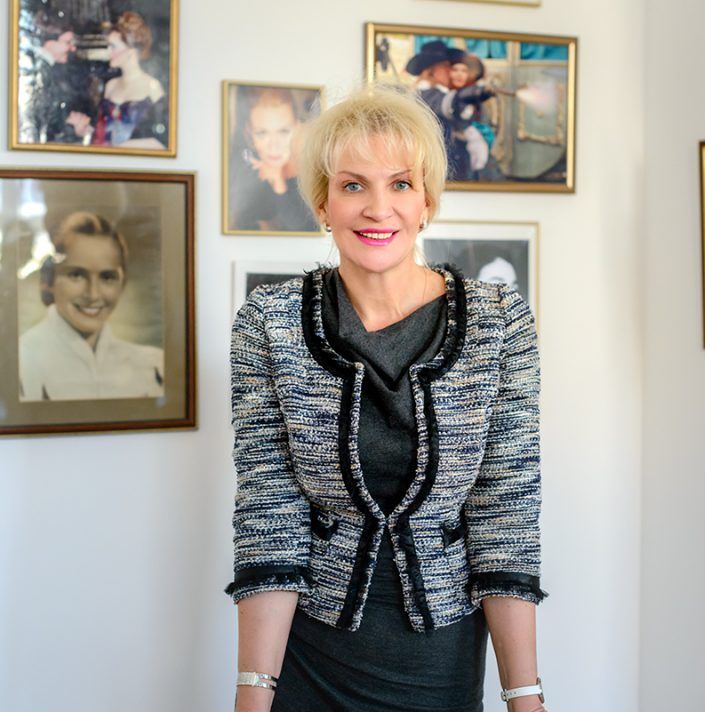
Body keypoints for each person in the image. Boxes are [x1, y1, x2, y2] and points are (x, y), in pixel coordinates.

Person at [226, 84, 547, 712]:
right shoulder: (269, 323)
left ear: (426, 201)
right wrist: (252, 695)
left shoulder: (499, 321)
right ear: (323, 202)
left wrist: (525, 695)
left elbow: (505, 513)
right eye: (353, 185)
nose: (379, 208)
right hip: (308, 657)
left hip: (440, 659)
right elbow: (269, 514)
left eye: (400, 183)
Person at [19, 211, 164, 401]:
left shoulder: (153, 367)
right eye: (76, 275)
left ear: (122, 284)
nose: (93, 294)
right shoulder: (22, 361)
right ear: (49, 281)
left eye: (107, 277)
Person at [228, 87, 319, 232]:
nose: (274, 145)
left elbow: (308, 230)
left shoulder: (311, 176)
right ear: (248, 133)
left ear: (297, 128)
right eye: (262, 133)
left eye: (283, 131)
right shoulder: (241, 175)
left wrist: (279, 184)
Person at [89, 11, 168, 149]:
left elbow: (164, 142)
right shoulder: (111, 85)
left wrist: (124, 147)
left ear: (131, 50)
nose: (109, 51)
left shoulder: (152, 86)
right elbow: (101, 134)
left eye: (113, 46)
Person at [17, 10, 93, 145]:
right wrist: (71, 128)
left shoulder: (48, 68)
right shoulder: (33, 70)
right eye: (68, 42)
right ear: (49, 42)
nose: (73, 48)